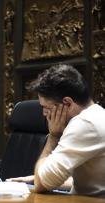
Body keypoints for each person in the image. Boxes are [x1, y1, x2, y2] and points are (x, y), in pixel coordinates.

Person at [25, 64, 105, 196]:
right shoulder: (97, 114)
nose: (44, 114)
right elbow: (91, 184)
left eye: (46, 107)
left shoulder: (84, 123)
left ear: (67, 103)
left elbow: (40, 185)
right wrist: (36, 177)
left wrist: (53, 136)